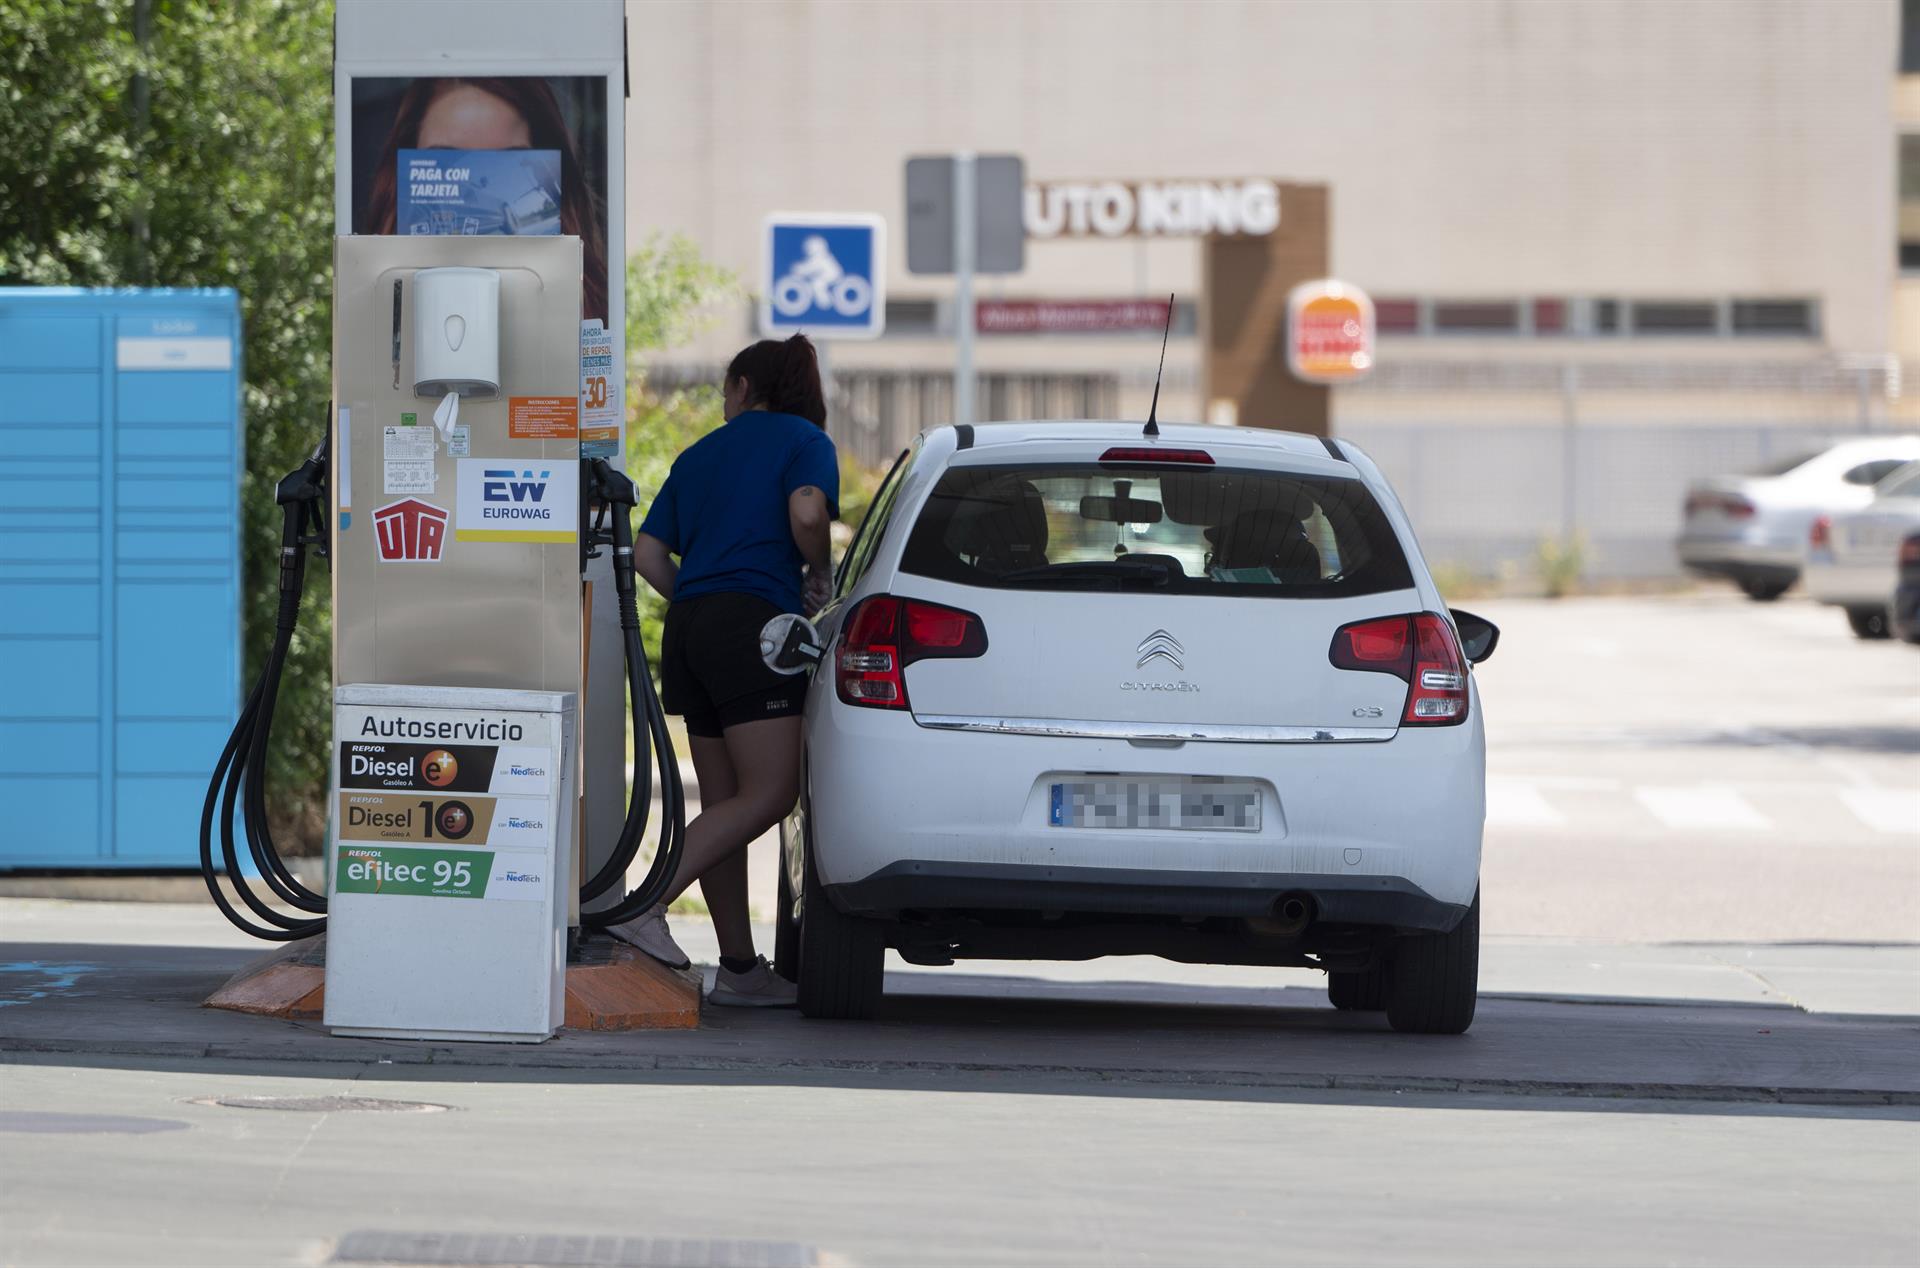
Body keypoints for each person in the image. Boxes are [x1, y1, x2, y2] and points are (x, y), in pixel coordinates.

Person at [616, 336, 838, 1007]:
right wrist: (819, 572)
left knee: (726, 807)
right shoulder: (805, 440)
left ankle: (739, 969)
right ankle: (643, 908)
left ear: (743, 386)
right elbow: (806, 511)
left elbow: (649, 555)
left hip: (688, 626)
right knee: (770, 795)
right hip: (755, 629)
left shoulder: (701, 453)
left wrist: (700, 596)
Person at [360, 76, 609, 325]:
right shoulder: (373, 318)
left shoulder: (583, 323)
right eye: (446, 165)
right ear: (399, 183)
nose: (477, 188)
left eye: (510, 165)